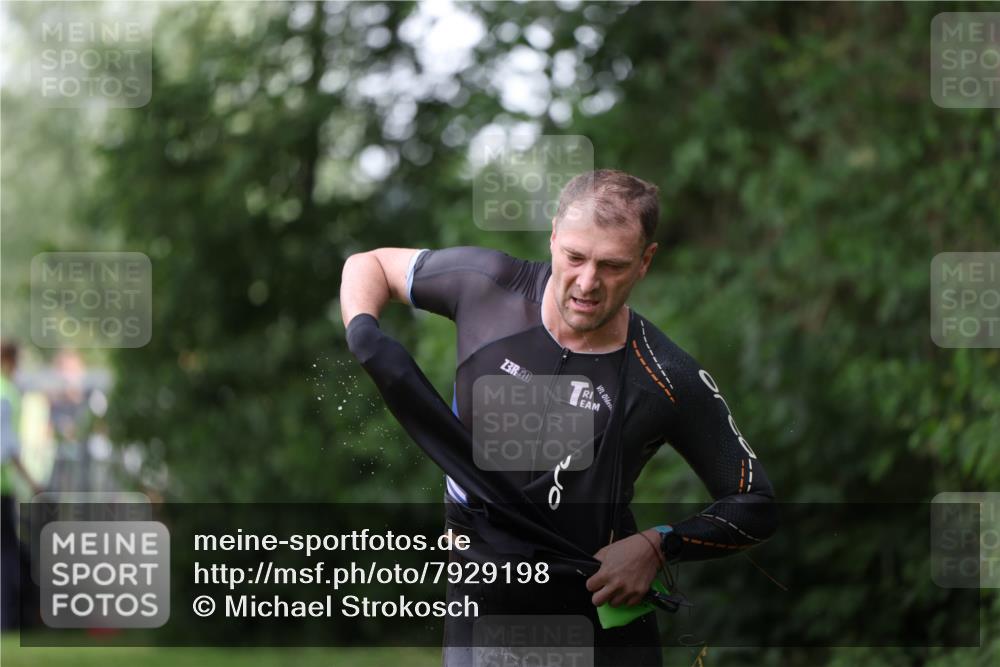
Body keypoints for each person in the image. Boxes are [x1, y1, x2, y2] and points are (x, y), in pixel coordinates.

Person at [341, 169, 778, 666]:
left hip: (597, 614)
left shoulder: (663, 375)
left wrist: (660, 545)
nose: (588, 283)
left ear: (645, 263)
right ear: (552, 237)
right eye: (575, 257)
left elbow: (755, 503)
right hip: (483, 604)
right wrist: (363, 331)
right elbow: (369, 264)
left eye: (612, 265)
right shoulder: (485, 286)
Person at [1, 340, 41, 630]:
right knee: (7, 554)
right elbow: (7, 447)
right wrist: (32, 482)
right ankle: (8, 618)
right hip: (2, 488)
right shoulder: (7, 393)